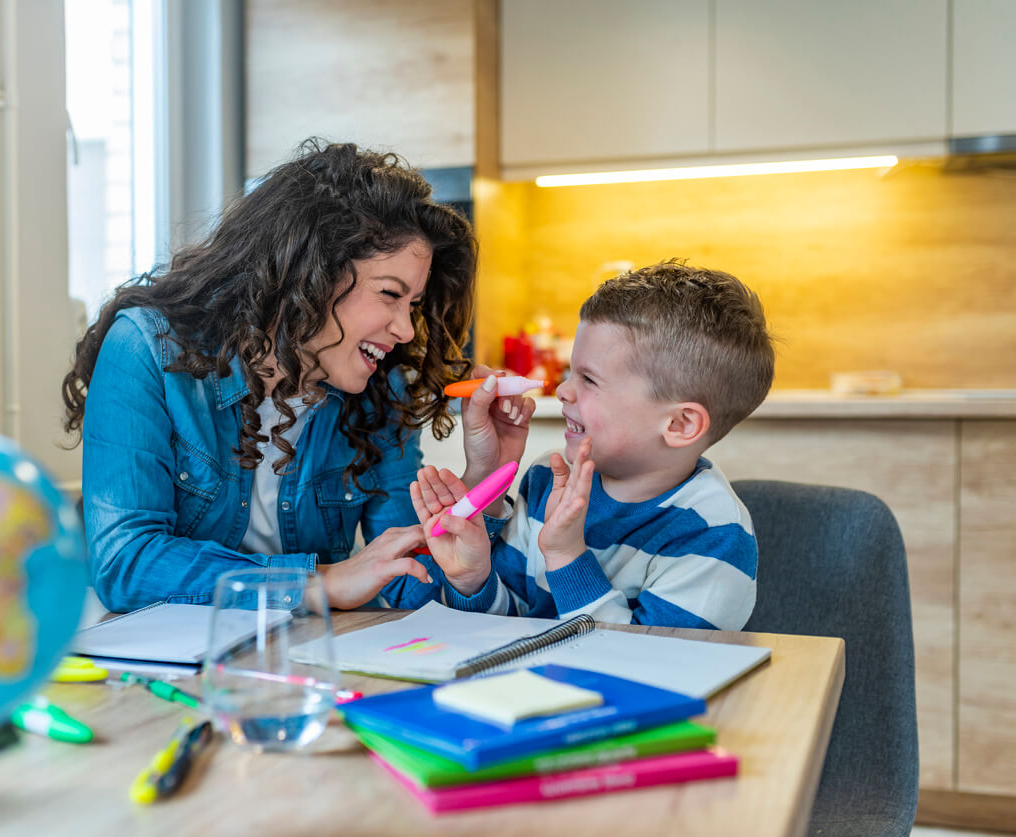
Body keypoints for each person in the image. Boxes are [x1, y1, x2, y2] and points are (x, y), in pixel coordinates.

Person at [62, 140, 535, 614]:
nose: (406, 329)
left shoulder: (380, 386)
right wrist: (318, 583)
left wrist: (482, 481)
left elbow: (408, 580)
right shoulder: (145, 349)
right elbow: (125, 563)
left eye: (412, 305)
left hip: (309, 661)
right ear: (309, 274)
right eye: (390, 294)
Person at [411, 260, 775, 630]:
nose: (564, 390)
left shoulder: (713, 534)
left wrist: (567, 555)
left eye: (589, 380)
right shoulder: (545, 480)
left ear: (680, 424)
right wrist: (471, 580)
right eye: (571, 373)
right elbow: (506, 627)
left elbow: (652, 667)